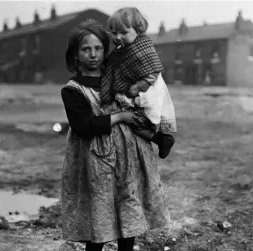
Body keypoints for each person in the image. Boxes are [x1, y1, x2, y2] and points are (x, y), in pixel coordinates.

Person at [61, 19, 171, 251]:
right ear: (75, 55)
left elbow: (148, 91)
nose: (93, 55)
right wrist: (121, 117)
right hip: (96, 158)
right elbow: (83, 126)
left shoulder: (120, 77)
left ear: (105, 50)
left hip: (129, 153)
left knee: (127, 204)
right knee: (98, 210)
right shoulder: (73, 89)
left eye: (98, 48)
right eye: (86, 49)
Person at [99, 7, 177, 159]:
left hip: (148, 90)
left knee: (138, 123)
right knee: (131, 121)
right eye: (114, 33)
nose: (118, 37)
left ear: (139, 30)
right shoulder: (122, 51)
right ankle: (160, 138)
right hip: (134, 92)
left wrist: (138, 86)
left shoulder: (143, 47)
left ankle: (162, 139)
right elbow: (114, 68)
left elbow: (153, 71)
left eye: (124, 32)